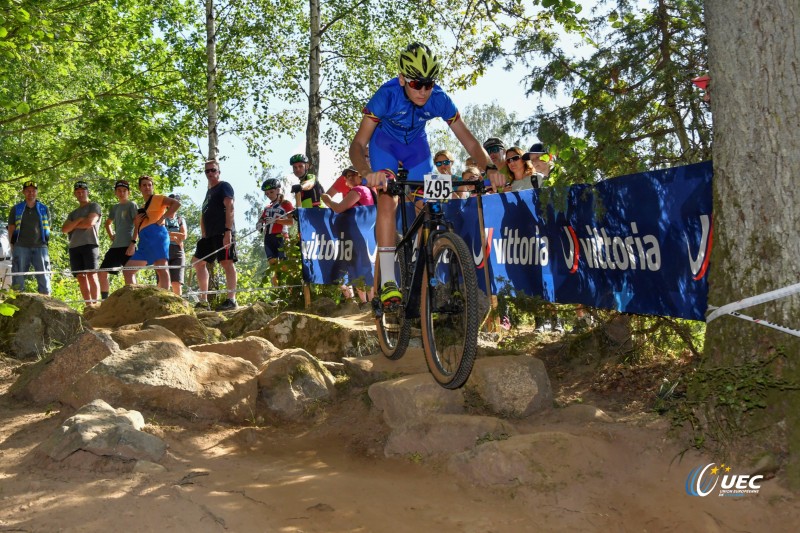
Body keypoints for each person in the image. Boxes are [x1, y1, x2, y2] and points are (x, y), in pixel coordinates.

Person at [350, 42, 498, 306]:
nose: (423, 91)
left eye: (428, 84)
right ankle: (387, 280)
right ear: (402, 79)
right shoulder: (386, 95)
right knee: (387, 200)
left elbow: (470, 142)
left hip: (417, 150)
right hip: (385, 147)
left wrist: (490, 167)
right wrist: (366, 171)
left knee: (430, 206)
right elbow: (359, 144)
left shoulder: (440, 99)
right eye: (416, 84)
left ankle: (423, 261)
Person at [321, 167, 376, 304]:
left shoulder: (360, 189)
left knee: (359, 268)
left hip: (357, 237)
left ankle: (369, 303)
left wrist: (327, 200)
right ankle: (362, 303)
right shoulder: (365, 190)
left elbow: (339, 208)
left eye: (353, 175)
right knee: (348, 270)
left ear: (360, 176)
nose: (349, 178)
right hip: (353, 238)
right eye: (347, 176)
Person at [192, 159, 238, 311]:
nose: (210, 173)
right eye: (207, 171)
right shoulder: (209, 192)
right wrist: (204, 232)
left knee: (226, 262)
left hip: (222, 231)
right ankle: (204, 301)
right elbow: (204, 213)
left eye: (213, 170)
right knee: (197, 262)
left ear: (219, 172)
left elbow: (230, 207)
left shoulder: (224, 186)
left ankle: (231, 300)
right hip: (209, 236)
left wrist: (228, 231)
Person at [124, 175, 180, 291]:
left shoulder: (158, 198)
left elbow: (176, 204)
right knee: (128, 269)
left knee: (161, 267)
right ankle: (134, 298)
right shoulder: (142, 207)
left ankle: (165, 300)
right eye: (144, 185)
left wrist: (163, 218)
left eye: (149, 185)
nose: (147, 187)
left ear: (152, 187)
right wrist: (133, 242)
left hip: (157, 234)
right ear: (140, 188)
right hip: (144, 240)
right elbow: (137, 227)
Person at [7, 180, 52, 295]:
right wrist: (12, 244)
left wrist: (46, 244)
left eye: (33, 191)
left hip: (40, 246)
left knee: (44, 277)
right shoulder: (16, 208)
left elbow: (48, 227)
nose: (30, 193)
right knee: (18, 277)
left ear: (36, 192)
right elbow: (11, 228)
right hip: (21, 246)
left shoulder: (43, 208)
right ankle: (17, 305)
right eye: (28, 191)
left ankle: (47, 304)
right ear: (23, 192)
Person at [61, 181, 102, 304]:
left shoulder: (93, 206)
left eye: (82, 191)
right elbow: (64, 229)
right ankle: (88, 305)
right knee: (80, 276)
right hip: (74, 246)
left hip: (90, 244)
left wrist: (73, 225)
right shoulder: (73, 214)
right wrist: (79, 220)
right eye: (77, 192)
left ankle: (96, 305)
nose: (80, 194)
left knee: (91, 274)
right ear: (75, 194)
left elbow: (89, 223)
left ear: (87, 192)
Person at [98, 180, 138, 299]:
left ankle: (133, 300)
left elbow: (138, 224)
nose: (122, 193)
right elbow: (107, 223)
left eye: (124, 191)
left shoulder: (132, 205)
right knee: (102, 272)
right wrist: (111, 235)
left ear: (128, 192)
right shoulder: (115, 207)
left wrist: (133, 243)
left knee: (129, 273)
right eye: (119, 191)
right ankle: (105, 300)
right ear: (116, 192)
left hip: (128, 244)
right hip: (115, 246)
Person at [257, 178, 294, 287]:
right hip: (268, 238)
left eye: (271, 192)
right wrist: (259, 224)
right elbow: (261, 219)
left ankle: (291, 291)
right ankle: (278, 291)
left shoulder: (286, 204)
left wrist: (277, 220)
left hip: (281, 236)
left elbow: (291, 221)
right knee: (273, 266)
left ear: (278, 190)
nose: (269, 195)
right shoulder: (267, 207)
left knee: (284, 265)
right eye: (267, 193)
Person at [164, 193, 188, 296]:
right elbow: (162, 234)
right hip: (164, 250)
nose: (173, 206)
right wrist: (175, 236)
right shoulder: (162, 218)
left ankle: (179, 306)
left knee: (176, 282)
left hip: (178, 252)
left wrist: (170, 234)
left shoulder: (180, 219)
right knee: (164, 281)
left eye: (176, 203)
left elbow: (184, 235)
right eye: (171, 203)